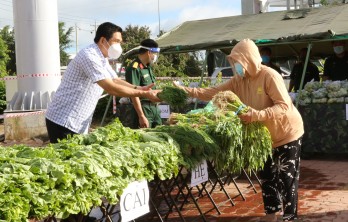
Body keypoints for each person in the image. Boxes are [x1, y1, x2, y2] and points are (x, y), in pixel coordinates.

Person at [173, 39, 304, 222]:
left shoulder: (270, 76)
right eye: (234, 62)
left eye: (238, 61)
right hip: (266, 136)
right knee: (267, 175)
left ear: (249, 59)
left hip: (287, 132)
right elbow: (213, 92)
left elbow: (284, 106)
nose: (236, 66)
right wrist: (186, 91)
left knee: (286, 176)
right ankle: (271, 214)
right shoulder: (238, 81)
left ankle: (290, 216)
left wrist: (257, 114)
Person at [45, 22, 160, 144]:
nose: (119, 46)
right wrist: (143, 94)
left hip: (76, 121)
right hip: (63, 120)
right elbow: (111, 88)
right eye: (116, 41)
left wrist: (140, 88)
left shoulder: (102, 58)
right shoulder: (89, 56)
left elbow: (115, 80)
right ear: (103, 40)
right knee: (66, 160)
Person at [125, 39, 162, 129]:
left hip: (154, 109)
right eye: (155, 54)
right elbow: (134, 94)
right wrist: (141, 116)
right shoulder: (134, 68)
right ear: (149, 52)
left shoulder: (148, 67)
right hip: (143, 109)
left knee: (159, 135)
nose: (155, 56)